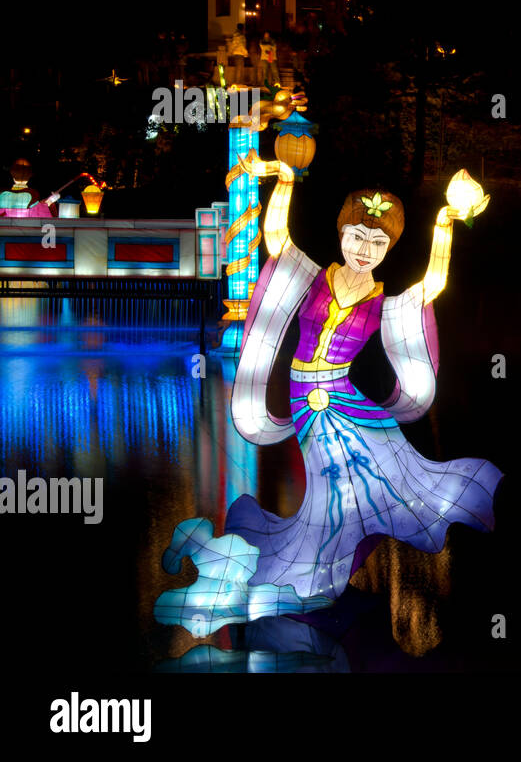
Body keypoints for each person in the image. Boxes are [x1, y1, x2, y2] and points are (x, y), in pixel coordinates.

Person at [155, 160, 500, 633]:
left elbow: (433, 285)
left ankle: (330, 570)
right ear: (342, 234)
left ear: (388, 249)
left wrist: (444, 225)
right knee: (330, 487)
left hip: (345, 395)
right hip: (307, 397)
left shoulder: (383, 301)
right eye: (358, 236)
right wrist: (287, 180)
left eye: (378, 243)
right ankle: (314, 574)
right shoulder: (311, 276)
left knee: (371, 483)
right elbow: (276, 235)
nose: (365, 250)